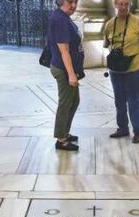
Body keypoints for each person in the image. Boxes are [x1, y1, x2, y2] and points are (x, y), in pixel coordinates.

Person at [104, 0, 139, 144]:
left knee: (133, 101)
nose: (123, 7)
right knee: (119, 100)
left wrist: (134, 58)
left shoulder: (137, 22)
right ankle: (122, 128)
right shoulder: (110, 24)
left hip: (133, 68)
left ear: (130, 5)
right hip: (116, 70)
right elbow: (107, 44)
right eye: (121, 4)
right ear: (115, 5)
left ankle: (138, 131)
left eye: (127, 4)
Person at [48, 0, 84, 151]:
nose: (74, 5)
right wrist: (71, 74)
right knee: (66, 103)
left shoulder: (64, 17)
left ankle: (65, 132)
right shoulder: (60, 19)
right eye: (70, 2)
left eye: (76, 1)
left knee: (74, 101)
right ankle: (61, 140)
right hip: (64, 70)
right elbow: (64, 51)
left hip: (68, 69)